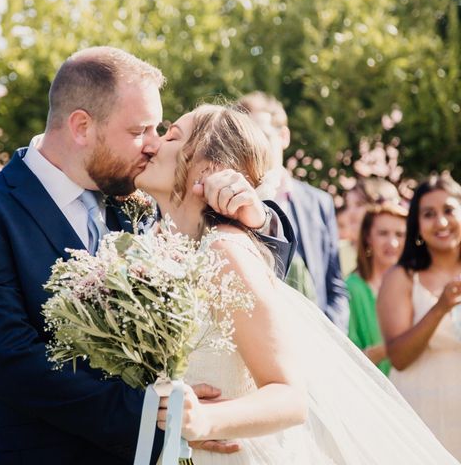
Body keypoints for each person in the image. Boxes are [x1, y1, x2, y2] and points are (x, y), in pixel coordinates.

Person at [0, 47, 296, 464]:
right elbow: (14, 363)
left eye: (160, 129)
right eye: (140, 130)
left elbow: (234, 273)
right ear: (82, 127)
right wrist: (157, 421)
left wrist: (258, 219)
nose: (152, 144)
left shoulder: (137, 197)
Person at [134, 104, 457, 464]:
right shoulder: (160, 248)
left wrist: (204, 419)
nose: (153, 144)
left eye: (172, 136)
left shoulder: (223, 251)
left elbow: (289, 397)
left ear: (208, 170)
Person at [237, 92, 349, 333]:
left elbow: (335, 285)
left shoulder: (319, 202)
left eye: (263, 136)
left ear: (283, 135)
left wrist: (331, 336)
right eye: (246, 140)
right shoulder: (231, 202)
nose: (255, 147)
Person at [377, 174, 461, 459]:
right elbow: (399, 357)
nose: (441, 222)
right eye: (429, 214)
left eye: (449, 211)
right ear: (417, 225)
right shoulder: (401, 278)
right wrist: (440, 308)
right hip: (423, 415)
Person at [346, 202, 407, 375]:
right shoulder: (353, 288)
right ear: (367, 237)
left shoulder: (416, 284)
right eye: (383, 233)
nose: (393, 242)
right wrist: (396, 346)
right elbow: (350, 359)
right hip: (376, 392)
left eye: (400, 234)